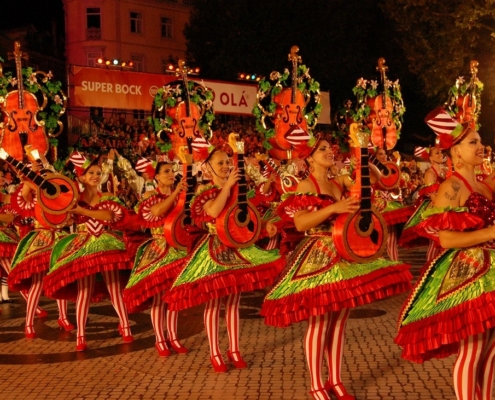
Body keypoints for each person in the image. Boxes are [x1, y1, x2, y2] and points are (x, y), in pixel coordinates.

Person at [262, 137, 412, 400]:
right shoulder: (306, 185)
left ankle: (336, 380)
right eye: (321, 150)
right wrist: (335, 207)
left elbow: (378, 181)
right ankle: (317, 385)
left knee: (340, 322)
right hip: (319, 254)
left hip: (344, 251)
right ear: (308, 158)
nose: (329, 152)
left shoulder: (340, 181)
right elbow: (300, 223)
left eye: (330, 148)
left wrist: (364, 154)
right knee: (319, 323)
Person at [396, 109, 495, 400]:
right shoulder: (451, 187)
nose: (481, 147)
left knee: (490, 350)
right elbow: (447, 239)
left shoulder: (485, 184)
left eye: (481, 141)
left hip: (489, 271)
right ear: (456, 153)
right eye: (473, 143)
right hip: (467, 273)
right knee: (473, 349)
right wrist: (491, 234)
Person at [165, 145, 282, 373]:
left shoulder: (239, 191)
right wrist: (227, 186)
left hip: (237, 247)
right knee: (214, 303)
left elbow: (248, 216)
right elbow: (213, 212)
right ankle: (215, 352)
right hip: (214, 250)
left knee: (234, 302)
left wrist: (264, 226)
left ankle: (235, 349)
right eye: (221, 163)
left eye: (228, 162)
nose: (227, 166)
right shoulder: (204, 191)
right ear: (208, 167)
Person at [43, 154, 133, 351]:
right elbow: (60, 217)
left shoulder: (107, 197)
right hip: (83, 244)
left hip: (105, 243)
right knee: (83, 291)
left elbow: (109, 216)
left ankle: (126, 326)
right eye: (90, 173)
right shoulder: (74, 199)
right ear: (81, 177)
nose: (95, 176)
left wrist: (82, 212)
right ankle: (81, 335)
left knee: (114, 287)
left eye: (98, 173)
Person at [123, 160, 189, 356]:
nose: (170, 174)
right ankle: (160, 339)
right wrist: (177, 193)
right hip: (159, 248)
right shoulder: (150, 195)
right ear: (157, 176)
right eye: (166, 171)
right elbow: (156, 211)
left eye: (172, 171)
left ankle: (174, 337)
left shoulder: (181, 195)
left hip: (177, 248)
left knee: (174, 297)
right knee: (159, 299)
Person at [8, 163, 74, 338]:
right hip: (41, 238)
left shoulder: (58, 198)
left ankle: (63, 317)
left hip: (58, 238)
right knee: (37, 282)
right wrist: (26, 181)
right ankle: (29, 322)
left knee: (61, 280)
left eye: (49, 178)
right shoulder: (36, 196)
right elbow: (25, 193)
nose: (45, 182)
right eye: (43, 178)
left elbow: (68, 218)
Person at [399, 146, 447, 263]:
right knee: (435, 241)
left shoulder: (444, 171)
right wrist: (443, 210)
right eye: (437, 153)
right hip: (434, 208)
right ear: (430, 158)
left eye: (441, 152)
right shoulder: (430, 174)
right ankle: (429, 266)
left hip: (443, 206)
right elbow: (433, 196)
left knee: (442, 241)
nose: (440, 154)